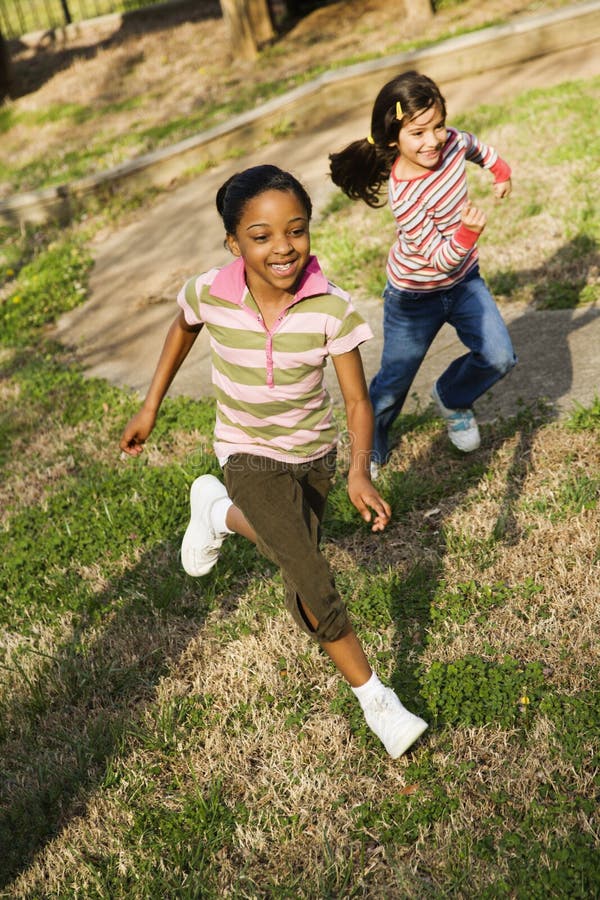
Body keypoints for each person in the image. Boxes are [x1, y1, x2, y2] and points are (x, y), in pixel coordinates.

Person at [119, 164, 428, 759]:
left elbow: (358, 402)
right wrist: (150, 405)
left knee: (296, 576)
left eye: (296, 230)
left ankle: (215, 512)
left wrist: (359, 470)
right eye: (261, 237)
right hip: (245, 452)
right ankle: (378, 702)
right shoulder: (211, 289)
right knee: (312, 575)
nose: (283, 248)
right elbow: (183, 326)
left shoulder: (330, 308)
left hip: (311, 457)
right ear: (234, 243)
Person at [329, 70, 517, 476]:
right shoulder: (405, 193)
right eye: (418, 133)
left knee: (500, 357)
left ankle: (452, 397)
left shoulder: (451, 143)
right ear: (394, 138)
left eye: (437, 126)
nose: (432, 140)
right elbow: (437, 259)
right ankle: (372, 439)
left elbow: (474, 146)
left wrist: (500, 171)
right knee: (394, 382)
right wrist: (468, 232)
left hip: (465, 282)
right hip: (415, 297)